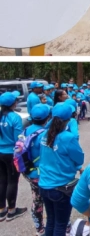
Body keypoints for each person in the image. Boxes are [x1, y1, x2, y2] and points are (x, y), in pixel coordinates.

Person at [39, 103, 85, 236]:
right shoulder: (68, 138)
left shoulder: (44, 134)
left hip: (45, 185)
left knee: (51, 221)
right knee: (60, 224)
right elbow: (79, 159)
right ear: (69, 119)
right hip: (60, 188)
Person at [24, 104, 52, 234]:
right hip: (45, 174)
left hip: (31, 172)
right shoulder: (46, 134)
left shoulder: (26, 130)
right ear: (47, 117)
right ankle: (60, 226)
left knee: (36, 201)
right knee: (52, 201)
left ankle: (39, 228)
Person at [0, 91, 27, 222]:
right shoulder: (14, 117)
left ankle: (1, 210)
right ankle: (12, 210)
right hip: (11, 154)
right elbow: (19, 139)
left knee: (1, 180)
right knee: (12, 181)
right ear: (13, 103)